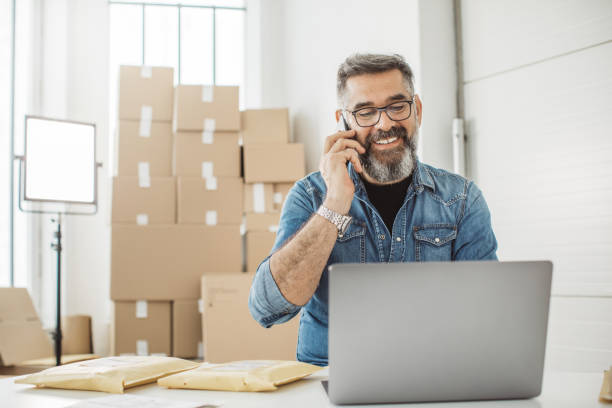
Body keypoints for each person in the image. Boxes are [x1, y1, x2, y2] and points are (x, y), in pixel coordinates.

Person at [248, 53, 498, 366]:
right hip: (331, 381)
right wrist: (335, 204)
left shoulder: (462, 200)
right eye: (366, 112)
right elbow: (268, 308)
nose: (385, 123)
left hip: (431, 378)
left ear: (416, 110)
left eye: (397, 106)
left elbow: (487, 314)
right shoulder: (310, 196)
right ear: (344, 121)